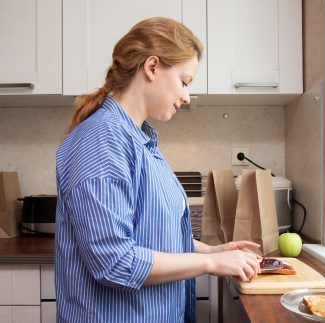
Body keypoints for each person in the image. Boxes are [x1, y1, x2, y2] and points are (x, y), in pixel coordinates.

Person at [55, 17, 261, 323]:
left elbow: (150, 232)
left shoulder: (141, 142)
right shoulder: (102, 142)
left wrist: (211, 252)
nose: (187, 96)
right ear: (152, 67)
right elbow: (115, 261)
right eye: (184, 81)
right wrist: (211, 266)